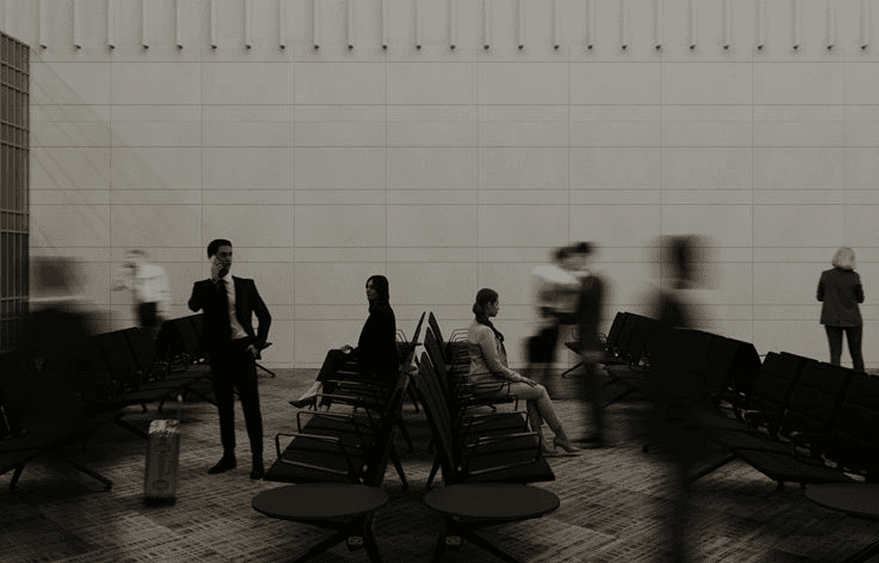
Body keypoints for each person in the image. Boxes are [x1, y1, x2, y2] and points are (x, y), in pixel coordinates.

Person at [188, 239, 271, 480]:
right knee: (224, 407)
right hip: (220, 354)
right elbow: (194, 306)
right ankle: (229, 456)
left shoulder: (245, 285)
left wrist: (256, 345)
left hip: (243, 351)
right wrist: (213, 280)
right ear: (212, 257)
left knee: (251, 407)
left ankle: (257, 460)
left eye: (230, 254)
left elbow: (265, 317)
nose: (228, 258)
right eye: (223, 254)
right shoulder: (203, 286)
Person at [467, 288, 579, 455]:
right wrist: (520, 378)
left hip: (485, 381)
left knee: (534, 391)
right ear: (489, 305)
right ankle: (560, 436)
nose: (499, 307)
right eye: (497, 304)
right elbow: (495, 367)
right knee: (539, 390)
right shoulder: (484, 331)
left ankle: (542, 441)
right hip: (489, 385)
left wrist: (520, 379)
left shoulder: (476, 325)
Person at [290, 275, 399, 408]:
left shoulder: (380, 313)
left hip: (376, 368)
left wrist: (351, 353)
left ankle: (314, 393)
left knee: (333, 357)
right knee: (334, 360)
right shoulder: (383, 311)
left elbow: (372, 348)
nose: (367, 290)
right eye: (366, 287)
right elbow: (372, 345)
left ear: (380, 289)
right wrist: (352, 351)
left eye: (371, 287)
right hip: (377, 363)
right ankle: (321, 402)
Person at [526, 246, 582, 381]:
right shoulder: (553, 275)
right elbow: (546, 298)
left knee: (546, 356)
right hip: (548, 322)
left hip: (550, 321)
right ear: (563, 259)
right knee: (544, 356)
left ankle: (542, 385)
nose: (572, 261)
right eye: (569, 258)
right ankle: (540, 386)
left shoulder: (556, 275)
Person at [570, 242, 606, 448]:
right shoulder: (588, 281)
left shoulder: (594, 281)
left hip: (591, 341)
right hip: (586, 340)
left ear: (584, 256)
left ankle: (598, 433)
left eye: (576, 256)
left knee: (592, 388)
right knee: (587, 388)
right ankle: (593, 429)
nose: (574, 260)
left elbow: (588, 313)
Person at [817, 247, 865, 373]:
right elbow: (860, 299)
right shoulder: (854, 277)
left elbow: (819, 297)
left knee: (835, 354)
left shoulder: (825, 275)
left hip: (831, 319)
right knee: (856, 354)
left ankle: (835, 383)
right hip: (853, 320)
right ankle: (862, 383)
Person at [112, 249, 171, 344]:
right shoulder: (131, 275)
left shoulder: (155, 270)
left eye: (131, 257)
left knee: (161, 336)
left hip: (155, 306)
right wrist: (122, 271)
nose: (128, 260)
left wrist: (163, 309)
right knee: (147, 337)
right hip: (142, 308)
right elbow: (114, 286)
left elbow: (164, 290)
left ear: (140, 257)